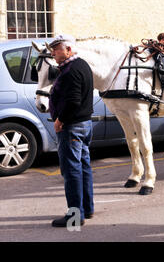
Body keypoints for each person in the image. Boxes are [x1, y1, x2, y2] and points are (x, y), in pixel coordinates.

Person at [48, 34, 95, 228]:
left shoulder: (70, 71)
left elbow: (73, 101)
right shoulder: (81, 64)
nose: (53, 53)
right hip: (83, 125)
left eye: (56, 49)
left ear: (68, 50)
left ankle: (75, 216)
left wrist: (60, 120)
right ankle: (87, 209)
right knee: (82, 166)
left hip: (72, 127)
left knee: (71, 171)